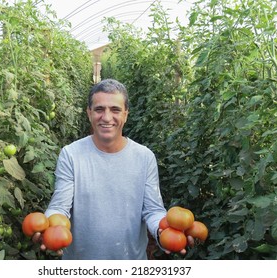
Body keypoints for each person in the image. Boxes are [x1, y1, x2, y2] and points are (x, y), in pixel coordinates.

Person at [34, 79, 192, 259]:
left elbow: (153, 210)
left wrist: (164, 233)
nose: (107, 117)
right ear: (89, 113)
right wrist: (48, 227)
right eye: (99, 109)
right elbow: (59, 207)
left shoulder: (144, 157)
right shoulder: (71, 155)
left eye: (115, 110)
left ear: (125, 114)